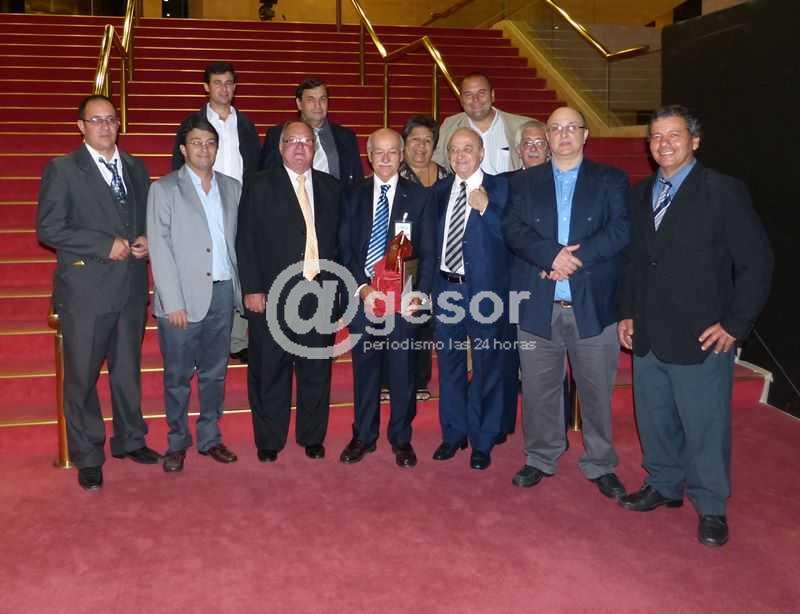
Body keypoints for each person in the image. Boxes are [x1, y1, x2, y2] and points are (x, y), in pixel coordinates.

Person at [617, 105, 772, 547]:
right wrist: (627, 312)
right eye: (655, 137)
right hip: (648, 333)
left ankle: (711, 505)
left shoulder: (722, 191)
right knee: (654, 417)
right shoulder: (641, 192)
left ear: (695, 141)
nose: (663, 144)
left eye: (674, 135)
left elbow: (757, 262)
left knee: (705, 425)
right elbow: (635, 262)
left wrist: (736, 324)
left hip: (702, 336)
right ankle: (663, 484)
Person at [503, 106, 629, 499]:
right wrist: (550, 256)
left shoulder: (611, 179)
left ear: (585, 134)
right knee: (539, 389)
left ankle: (600, 462)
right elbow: (513, 229)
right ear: (547, 136)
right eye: (555, 128)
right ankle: (541, 456)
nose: (563, 134)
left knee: (596, 391)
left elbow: (621, 230)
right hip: (539, 304)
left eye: (571, 127)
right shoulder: (524, 182)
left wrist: (574, 259)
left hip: (592, 304)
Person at [37, 94, 160, 491]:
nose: (105, 127)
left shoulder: (136, 167)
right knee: (82, 376)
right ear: (81, 126)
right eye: (96, 120)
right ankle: (88, 454)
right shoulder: (63, 169)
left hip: (131, 287)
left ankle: (131, 439)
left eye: (111, 119)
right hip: (86, 289)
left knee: (127, 370)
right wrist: (103, 244)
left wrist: (146, 239)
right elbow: (49, 228)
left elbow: (147, 218)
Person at [236, 120, 343, 463]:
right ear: (280, 147)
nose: (300, 147)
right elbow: (246, 239)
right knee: (270, 369)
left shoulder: (331, 187)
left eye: (306, 141)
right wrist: (252, 288)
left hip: (320, 294)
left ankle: (312, 436)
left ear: (315, 148)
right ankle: (269, 439)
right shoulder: (259, 185)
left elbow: (339, 245)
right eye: (292, 141)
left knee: (316, 371)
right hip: (271, 295)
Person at [148, 116, 243, 473]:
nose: (204, 149)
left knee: (215, 373)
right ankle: (177, 442)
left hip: (223, 292)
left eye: (210, 143)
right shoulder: (164, 189)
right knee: (177, 376)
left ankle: (210, 437)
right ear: (183, 149)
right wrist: (172, 301)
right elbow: (159, 247)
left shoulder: (232, 187)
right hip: (181, 301)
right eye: (197, 143)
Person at [338, 128, 435, 467]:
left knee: (402, 372)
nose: (385, 158)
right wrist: (363, 287)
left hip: (403, 303)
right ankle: (363, 436)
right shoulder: (353, 195)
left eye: (392, 151)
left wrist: (418, 294)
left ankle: (401, 438)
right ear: (368, 154)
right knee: (365, 371)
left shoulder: (419, 197)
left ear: (402, 155)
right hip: (364, 298)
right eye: (378, 151)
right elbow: (344, 248)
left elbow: (429, 252)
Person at [431, 127, 512, 470]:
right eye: (454, 149)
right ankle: (454, 433)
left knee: (486, 367)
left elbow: (513, 236)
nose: (460, 155)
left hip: (485, 292)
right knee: (449, 366)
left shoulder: (502, 188)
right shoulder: (437, 191)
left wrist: (487, 209)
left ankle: (483, 439)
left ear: (481, 153)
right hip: (445, 289)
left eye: (468, 148)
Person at [171, 61, 260, 366]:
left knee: (239, 266)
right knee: (206, 267)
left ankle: (238, 339)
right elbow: (177, 167)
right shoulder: (192, 123)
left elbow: (256, 168)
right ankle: (200, 334)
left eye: (229, 83)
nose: (224, 88)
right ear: (206, 87)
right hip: (203, 203)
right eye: (218, 83)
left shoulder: (246, 125)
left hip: (240, 203)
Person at [397, 115, 451, 402]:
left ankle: (419, 379)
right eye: (415, 140)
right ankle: (390, 380)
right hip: (403, 259)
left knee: (425, 325)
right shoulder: (395, 176)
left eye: (427, 141)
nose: (421, 146)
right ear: (404, 144)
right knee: (398, 322)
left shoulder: (447, 177)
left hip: (441, 260)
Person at [259, 77, 363, 186]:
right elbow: (265, 179)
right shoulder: (277, 135)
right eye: (311, 99)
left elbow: (357, 182)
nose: (318, 105)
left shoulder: (346, 137)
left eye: (322, 99)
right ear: (299, 104)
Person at [433, 72, 533, 175]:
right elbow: (436, 166)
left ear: (492, 95)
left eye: (481, 93)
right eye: (468, 95)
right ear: (461, 100)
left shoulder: (522, 126)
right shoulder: (449, 126)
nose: (475, 99)